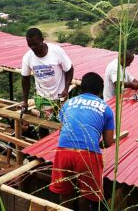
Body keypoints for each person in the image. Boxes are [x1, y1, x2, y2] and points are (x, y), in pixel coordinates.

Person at [50, 72, 114, 210]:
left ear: (81, 88)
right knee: (86, 195)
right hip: (88, 155)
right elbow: (108, 142)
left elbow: (62, 132)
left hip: (63, 151)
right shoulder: (106, 109)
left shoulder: (68, 104)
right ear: (100, 90)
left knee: (65, 193)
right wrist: (95, 143)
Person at [21, 28, 74, 137]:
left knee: (62, 124)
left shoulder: (56, 51)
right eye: (30, 45)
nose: (33, 48)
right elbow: (25, 79)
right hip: (42, 97)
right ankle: (43, 149)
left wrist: (66, 89)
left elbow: (69, 69)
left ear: (42, 40)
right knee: (43, 124)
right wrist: (25, 101)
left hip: (60, 95)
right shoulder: (28, 57)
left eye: (35, 44)